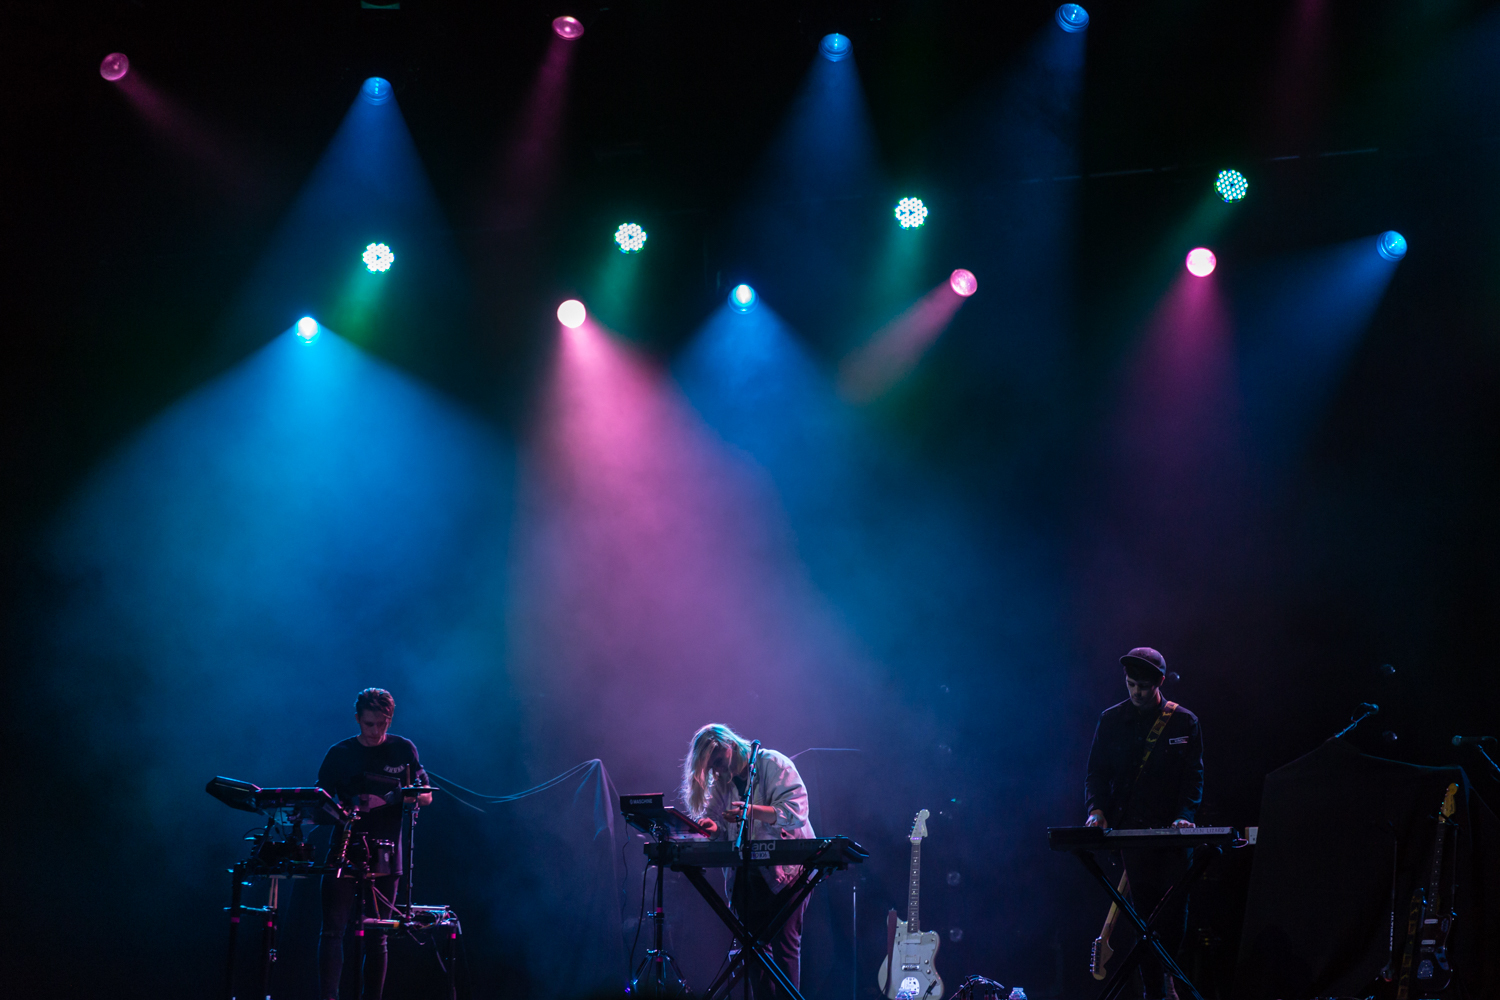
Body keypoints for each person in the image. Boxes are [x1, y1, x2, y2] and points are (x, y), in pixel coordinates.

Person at [1084, 648, 1204, 1000]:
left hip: (1173, 834)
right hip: (1131, 831)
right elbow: (1096, 773)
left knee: (1173, 914)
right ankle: (1156, 992)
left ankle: (1168, 978)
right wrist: (1096, 811)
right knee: (1143, 916)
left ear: (1160, 683)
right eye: (1131, 684)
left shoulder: (1185, 722)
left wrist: (1186, 815)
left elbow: (1192, 779)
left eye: (1143, 686)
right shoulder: (1111, 720)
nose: (1136, 692)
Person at [682, 724, 814, 999]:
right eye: (712, 768)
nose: (717, 772)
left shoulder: (773, 763)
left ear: (729, 745)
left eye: (718, 762)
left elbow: (796, 811)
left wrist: (751, 811)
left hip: (788, 874)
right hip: (747, 876)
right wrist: (713, 828)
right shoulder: (723, 782)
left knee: (785, 948)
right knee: (753, 953)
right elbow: (719, 825)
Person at [316, 688, 431, 1000]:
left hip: (386, 855)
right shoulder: (339, 753)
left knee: (377, 936)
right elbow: (318, 802)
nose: (376, 731)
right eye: (369, 724)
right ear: (357, 719)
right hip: (344, 851)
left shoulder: (403, 749)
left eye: (383, 724)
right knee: (333, 930)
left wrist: (399, 796)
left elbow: (427, 795)